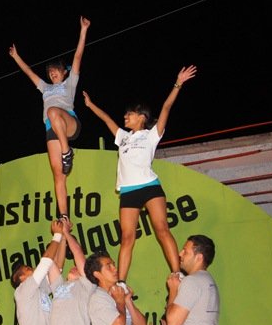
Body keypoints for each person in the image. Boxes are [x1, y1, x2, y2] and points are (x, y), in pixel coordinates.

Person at [81, 64, 197, 283]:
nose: (125, 116)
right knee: (127, 238)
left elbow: (166, 107)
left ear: (142, 117)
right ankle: (121, 282)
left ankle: (177, 272)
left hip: (150, 186)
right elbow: (107, 119)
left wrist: (178, 84)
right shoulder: (123, 137)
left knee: (162, 229)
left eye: (130, 113)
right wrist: (90, 104)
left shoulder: (152, 134)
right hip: (129, 191)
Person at [9, 16, 91, 221]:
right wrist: (16, 57)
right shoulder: (45, 87)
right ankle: (64, 216)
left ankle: (67, 151)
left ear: (64, 73)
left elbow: (78, 57)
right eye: (50, 71)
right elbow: (29, 73)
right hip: (51, 129)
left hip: (69, 123)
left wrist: (83, 31)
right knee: (58, 175)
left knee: (52, 111)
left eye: (56, 70)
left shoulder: (70, 83)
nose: (52, 72)